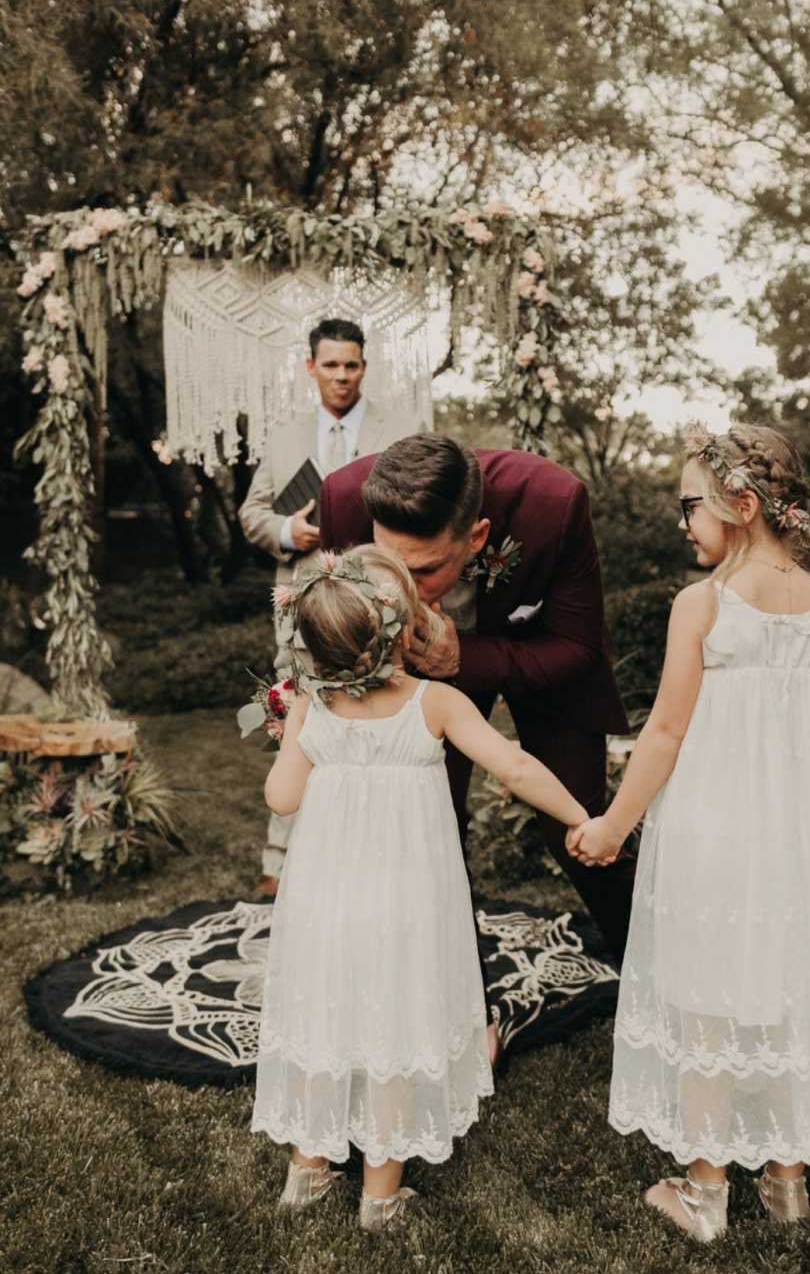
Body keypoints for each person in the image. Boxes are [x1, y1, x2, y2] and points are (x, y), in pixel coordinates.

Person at [567, 422, 810, 1242]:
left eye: (692, 504)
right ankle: (787, 1183)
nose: (684, 521)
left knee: (709, 993)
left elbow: (668, 731)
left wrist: (614, 822)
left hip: (716, 831)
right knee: (784, 985)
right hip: (799, 843)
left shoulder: (705, 604)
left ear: (742, 505)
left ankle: (706, 1190)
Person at [250, 545, 588, 1232]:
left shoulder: (315, 709)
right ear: (404, 629)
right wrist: (583, 816)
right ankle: (380, 1193)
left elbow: (281, 798)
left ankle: (308, 1171)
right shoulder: (438, 702)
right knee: (395, 1019)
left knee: (328, 1011)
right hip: (407, 904)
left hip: (327, 903)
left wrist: (293, 736)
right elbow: (515, 768)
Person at [316, 434, 632, 1062]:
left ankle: (660, 969)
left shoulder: (555, 502)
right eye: (391, 564)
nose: (403, 587)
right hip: (413, 679)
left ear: (479, 537)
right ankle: (462, 1013)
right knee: (428, 831)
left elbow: (576, 649)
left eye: (427, 569)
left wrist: (469, 656)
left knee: (575, 827)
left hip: (530, 658)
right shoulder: (343, 499)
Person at [239, 318, 426, 894]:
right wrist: (289, 532)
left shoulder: (400, 429)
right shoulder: (283, 434)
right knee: (295, 714)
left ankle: (373, 854)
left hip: (376, 599)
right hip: (300, 600)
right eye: (331, 365)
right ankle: (280, 859)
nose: (341, 376)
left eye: (351, 365)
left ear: (364, 367)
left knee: (379, 714)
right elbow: (252, 513)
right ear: (310, 366)